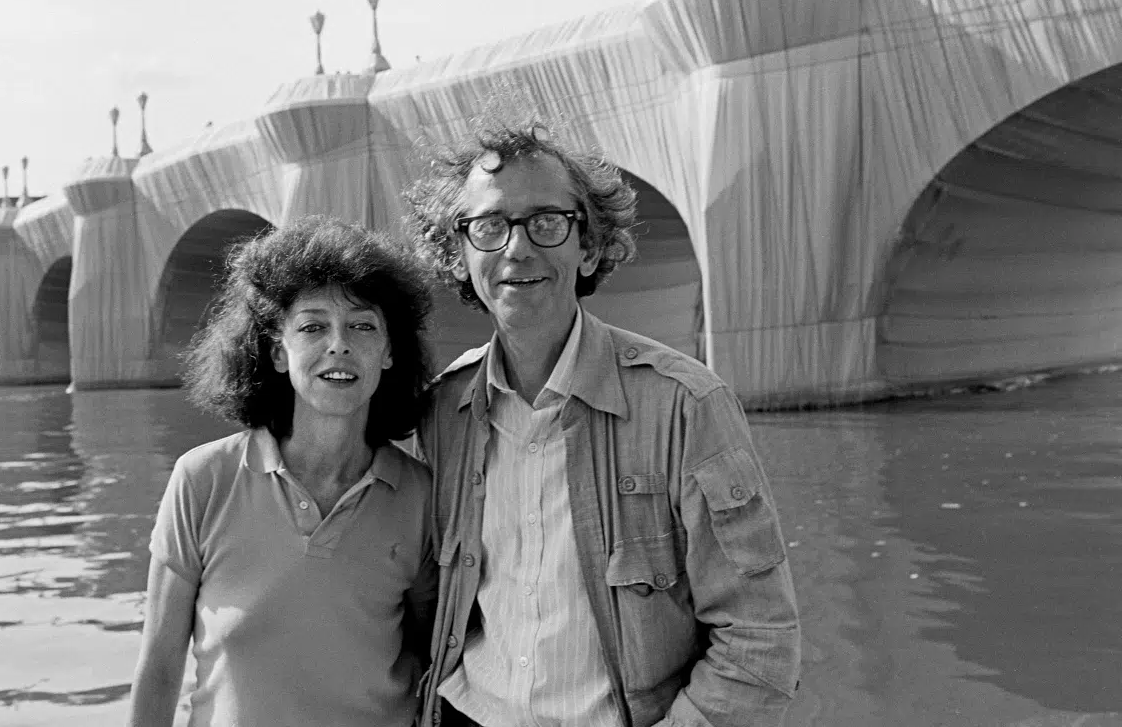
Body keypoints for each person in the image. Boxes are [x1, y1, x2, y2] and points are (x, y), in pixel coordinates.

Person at [404, 122, 801, 727]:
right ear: (459, 257)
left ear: (588, 246)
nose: (516, 248)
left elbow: (759, 637)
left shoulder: (684, 406)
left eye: (547, 221)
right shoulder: (442, 412)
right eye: (488, 226)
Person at [127, 217, 438, 727]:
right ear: (277, 351)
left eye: (362, 326)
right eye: (313, 326)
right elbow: (160, 668)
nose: (338, 344)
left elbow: (432, 660)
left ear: (388, 353)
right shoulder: (202, 479)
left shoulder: (421, 494)